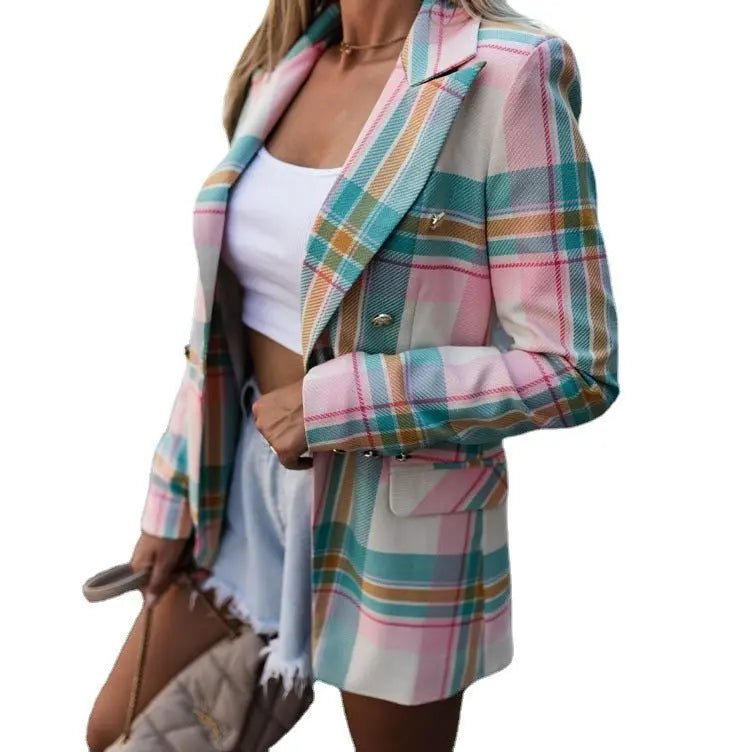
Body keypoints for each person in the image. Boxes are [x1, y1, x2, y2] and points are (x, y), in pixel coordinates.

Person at [86, 0, 619, 749]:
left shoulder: (508, 71)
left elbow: (573, 366)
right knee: (122, 734)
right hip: (240, 490)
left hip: (395, 511)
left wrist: (332, 406)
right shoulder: (281, 67)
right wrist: (170, 498)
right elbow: (219, 324)